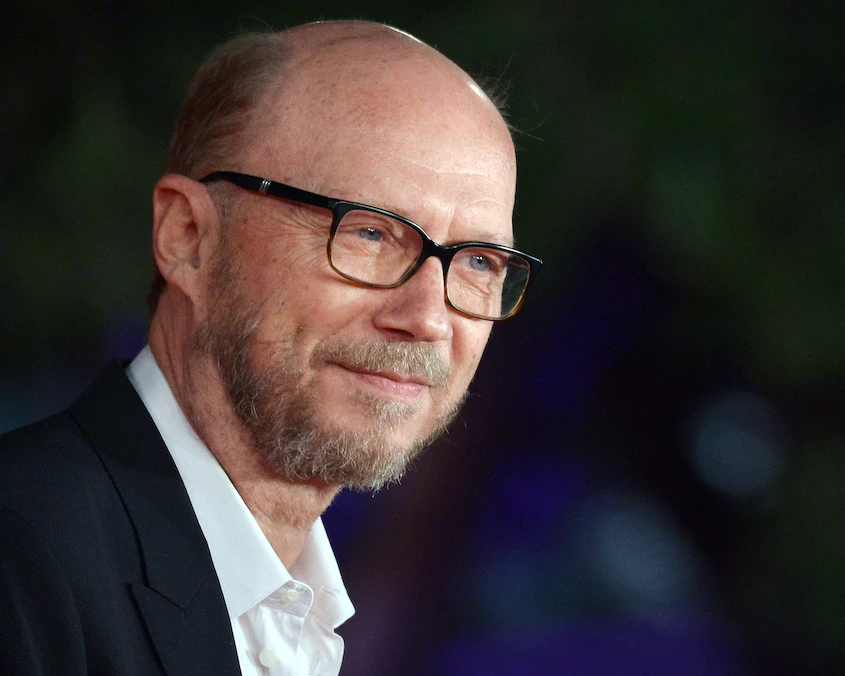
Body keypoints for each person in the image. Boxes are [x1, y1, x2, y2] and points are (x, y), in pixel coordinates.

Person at [0, 19, 540, 675]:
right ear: (188, 237)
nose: (428, 318)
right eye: (370, 233)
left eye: (480, 261)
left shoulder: (297, 618)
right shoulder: (22, 562)